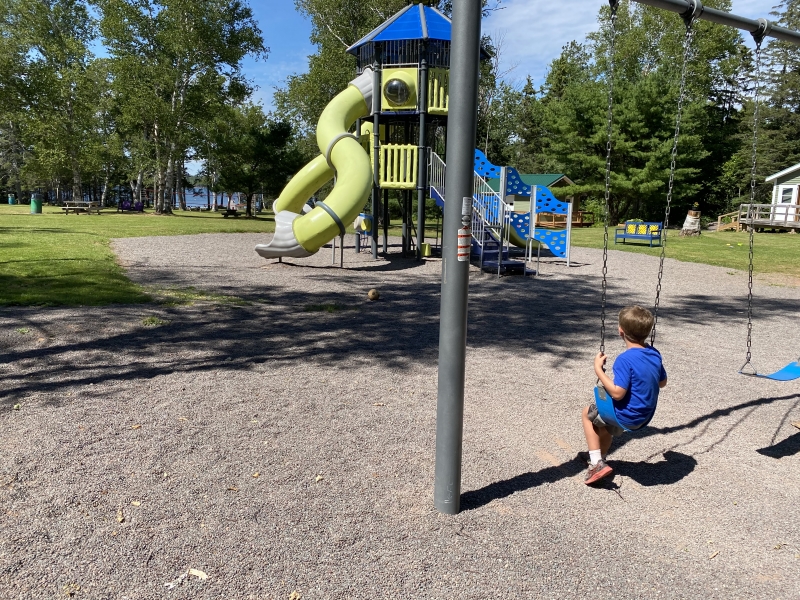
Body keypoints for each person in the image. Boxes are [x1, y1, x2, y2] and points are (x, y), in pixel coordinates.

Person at [581, 305, 667, 485]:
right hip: (645, 416)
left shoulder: (625, 359)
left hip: (627, 417)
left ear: (621, 331)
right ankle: (601, 459)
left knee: (587, 413)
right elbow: (662, 382)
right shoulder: (654, 354)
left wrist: (598, 370)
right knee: (602, 424)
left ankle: (596, 463)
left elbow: (617, 393)